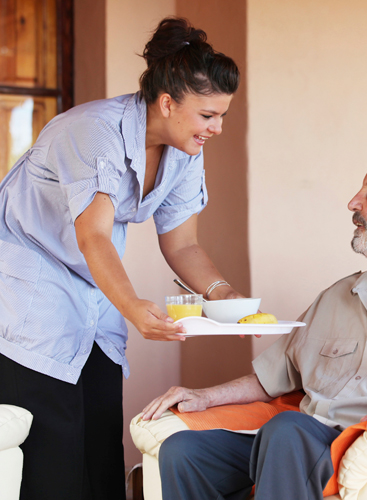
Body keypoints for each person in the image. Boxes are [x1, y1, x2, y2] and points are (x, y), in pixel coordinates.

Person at [142, 150, 367, 500]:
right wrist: (203, 396)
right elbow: (272, 377)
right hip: (295, 442)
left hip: (361, 444)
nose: (353, 203)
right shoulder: (336, 296)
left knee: (286, 430)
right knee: (182, 450)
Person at [0, 17, 244, 500]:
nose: (216, 128)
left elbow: (182, 244)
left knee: (101, 450)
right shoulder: (93, 132)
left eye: (222, 116)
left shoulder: (184, 149)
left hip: (93, 289)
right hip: (31, 288)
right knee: (52, 457)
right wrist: (134, 309)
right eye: (208, 115)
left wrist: (224, 296)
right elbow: (92, 236)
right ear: (168, 102)